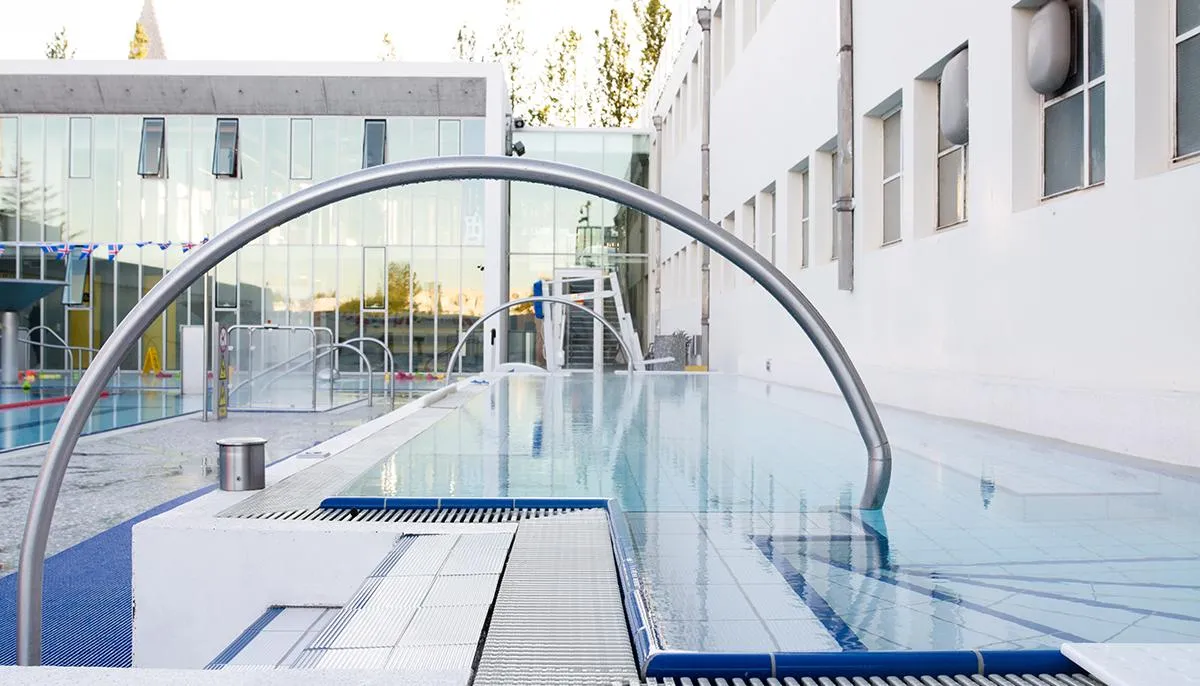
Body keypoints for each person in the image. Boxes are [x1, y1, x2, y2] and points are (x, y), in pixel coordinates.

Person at [532, 279, 546, 367]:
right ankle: (540, 362)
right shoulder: (540, 288)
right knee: (541, 338)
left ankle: (540, 362)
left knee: (540, 338)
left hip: (541, 316)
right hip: (542, 317)